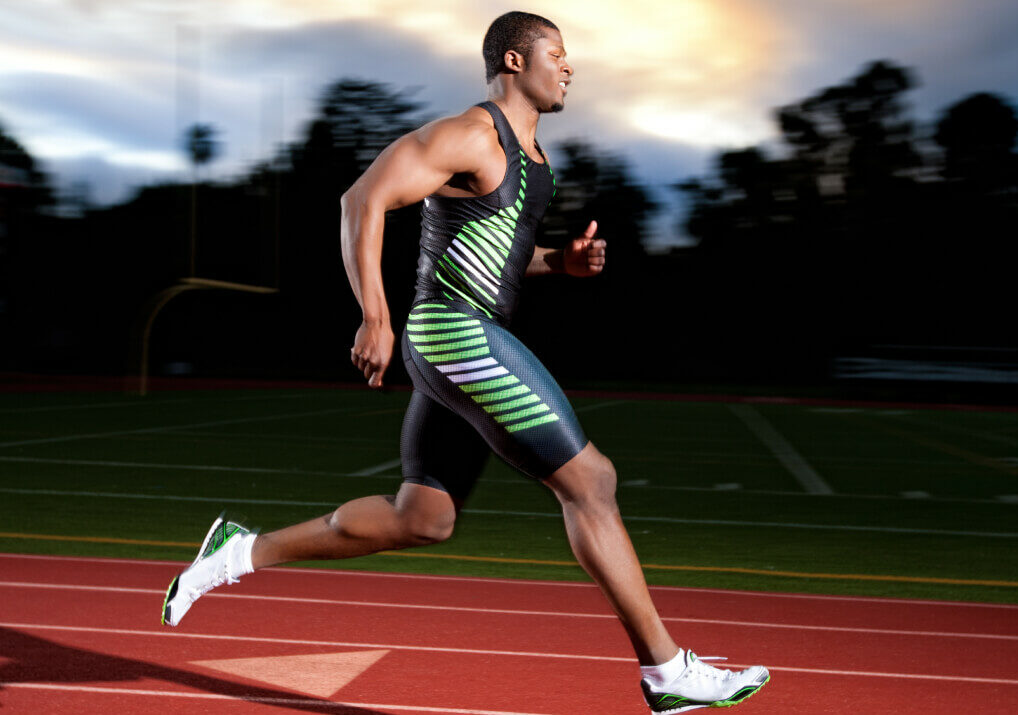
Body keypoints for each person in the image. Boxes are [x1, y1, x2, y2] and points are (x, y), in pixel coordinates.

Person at [160, 10, 768, 714]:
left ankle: (238, 552)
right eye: (556, 54)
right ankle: (666, 672)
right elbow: (361, 200)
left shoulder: (534, 160)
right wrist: (376, 315)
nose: (569, 67)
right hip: (454, 333)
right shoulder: (473, 134)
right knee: (592, 481)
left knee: (422, 518)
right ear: (513, 61)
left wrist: (560, 264)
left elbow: (498, 255)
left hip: (470, 338)